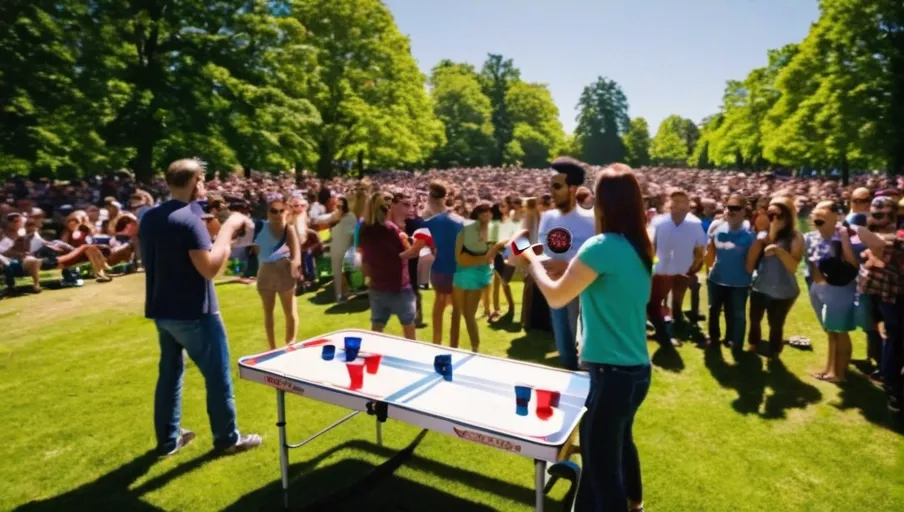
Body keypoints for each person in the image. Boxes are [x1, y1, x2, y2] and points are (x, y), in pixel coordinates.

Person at [512, 163, 652, 512]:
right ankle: (636, 501)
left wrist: (530, 260)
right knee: (621, 443)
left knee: (600, 469)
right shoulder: (639, 244)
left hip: (610, 374)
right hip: (635, 370)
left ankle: (624, 503)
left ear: (603, 202)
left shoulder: (601, 246)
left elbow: (557, 296)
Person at [139, 158, 261, 456]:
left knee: (169, 375)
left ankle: (168, 441)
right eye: (203, 181)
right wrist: (227, 232)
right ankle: (228, 439)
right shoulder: (188, 220)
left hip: (162, 309)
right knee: (218, 377)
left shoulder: (150, 217)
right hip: (195, 311)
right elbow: (209, 269)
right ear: (196, 182)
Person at [538, 157, 595, 370]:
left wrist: (568, 265)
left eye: (556, 186)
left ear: (573, 189)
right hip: (554, 290)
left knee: (585, 347)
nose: (551, 191)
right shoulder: (547, 218)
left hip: (584, 293)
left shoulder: (592, 220)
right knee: (564, 346)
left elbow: (598, 256)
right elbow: (540, 248)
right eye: (550, 185)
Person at [804, 202, 859, 383]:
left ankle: (840, 374)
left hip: (840, 289)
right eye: (816, 218)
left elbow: (853, 264)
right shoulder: (810, 237)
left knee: (839, 330)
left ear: (835, 218)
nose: (818, 221)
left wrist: (843, 238)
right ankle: (829, 369)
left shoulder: (842, 236)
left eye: (823, 218)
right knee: (830, 331)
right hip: (817, 288)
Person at [746, 196, 804, 359]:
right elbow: (751, 262)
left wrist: (778, 251)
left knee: (776, 324)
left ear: (788, 215)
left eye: (779, 215)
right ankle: (753, 345)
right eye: (771, 215)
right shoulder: (762, 235)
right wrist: (768, 237)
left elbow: (793, 266)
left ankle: (774, 352)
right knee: (754, 319)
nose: (775, 219)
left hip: (784, 290)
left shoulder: (795, 237)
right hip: (760, 286)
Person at [648, 189, 706, 347]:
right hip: (661, 270)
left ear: (688, 205)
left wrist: (694, 268)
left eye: (682, 201)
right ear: (669, 203)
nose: (678, 205)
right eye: (675, 201)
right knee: (657, 302)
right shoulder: (658, 221)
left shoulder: (695, 223)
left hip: (683, 270)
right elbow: (651, 244)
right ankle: (664, 332)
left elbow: (700, 249)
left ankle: (676, 324)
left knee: (677, 300)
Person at [359, 192, 417, 339]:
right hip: (399, 286)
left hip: (377, 285)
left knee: (377, 326)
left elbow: (364, 257)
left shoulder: (364, 228)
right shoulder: (391, 229)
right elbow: (409, 253)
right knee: (408, 326)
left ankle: (373, 356)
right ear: (389, 207)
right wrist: (411, 242)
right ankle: (414, 355)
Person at [704, 195, 755, 357]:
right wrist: (710, 271)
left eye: (735, 208)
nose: (730, 211)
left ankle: (736, 345)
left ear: (744, 211)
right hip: (716, 280)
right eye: (728, 207)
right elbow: (710, 253)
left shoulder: (750, 233)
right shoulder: (717, 228)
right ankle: (714, 339)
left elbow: (752, 261)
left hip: (740, 283)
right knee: (713, 311)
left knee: (738, 315)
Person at [254, 195, 301, 350]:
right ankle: (272, 347)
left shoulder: (289, 229)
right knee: (268, 312)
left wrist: (293, 265)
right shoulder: (260, 227)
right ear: (268, 212)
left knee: (290, 311)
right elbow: (252, 246)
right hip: (265, 276)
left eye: (281, 210)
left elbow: (297, 255)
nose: (278, 214)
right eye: (274, 211)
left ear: (286, 211)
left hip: (284, 275)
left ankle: (290, 343)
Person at [423, 181, 464, 346]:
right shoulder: (460, 221)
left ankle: (436, 341)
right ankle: (453, 344)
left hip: (439, 269)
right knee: (456, 307)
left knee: (439, 303)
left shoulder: (428, 222)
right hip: (458, 269)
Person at [453, 201, 497, 352]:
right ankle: (463, 347)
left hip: (477, 277)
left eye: (488, 211)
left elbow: (492, 257)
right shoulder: (465, 232)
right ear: (476, 215)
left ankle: (475, 347)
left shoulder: (494, 234)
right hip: (462, 274)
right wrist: (483, 259)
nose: (486, 214)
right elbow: (459, 257)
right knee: (461, 313)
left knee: (468, 314)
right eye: (482, 211)